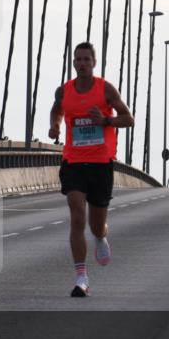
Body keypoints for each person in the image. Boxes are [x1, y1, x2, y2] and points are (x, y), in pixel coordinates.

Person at [48, 42, 134, 297]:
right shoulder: (64, 91)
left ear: (93, 63)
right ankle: (81, 277)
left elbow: (128, 119)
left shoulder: (105, 89)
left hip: (101, 163)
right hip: (73, 160)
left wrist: (106, 120)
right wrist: (55, 126)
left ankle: (100, 237)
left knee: (96, 225)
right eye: (78, 60)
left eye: (86, 59)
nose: (82, 63)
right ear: (73, 63)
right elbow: (57, 109)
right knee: (77, 215)